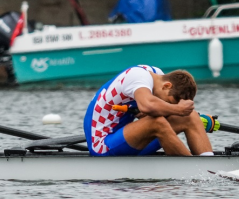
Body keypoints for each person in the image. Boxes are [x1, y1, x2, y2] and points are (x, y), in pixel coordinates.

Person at [84, 65, 213, 157]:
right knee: (157, 122)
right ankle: (193, 171)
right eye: (169, 101)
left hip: (127, 140)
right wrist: (178, 109)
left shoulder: (157, 75)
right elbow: (147, 106)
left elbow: (149, 109)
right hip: (102, 145)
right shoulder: (138, 76)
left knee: (190, 117)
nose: (167, 106)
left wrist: (193, 118)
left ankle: (209, 164)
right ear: (167, 86)